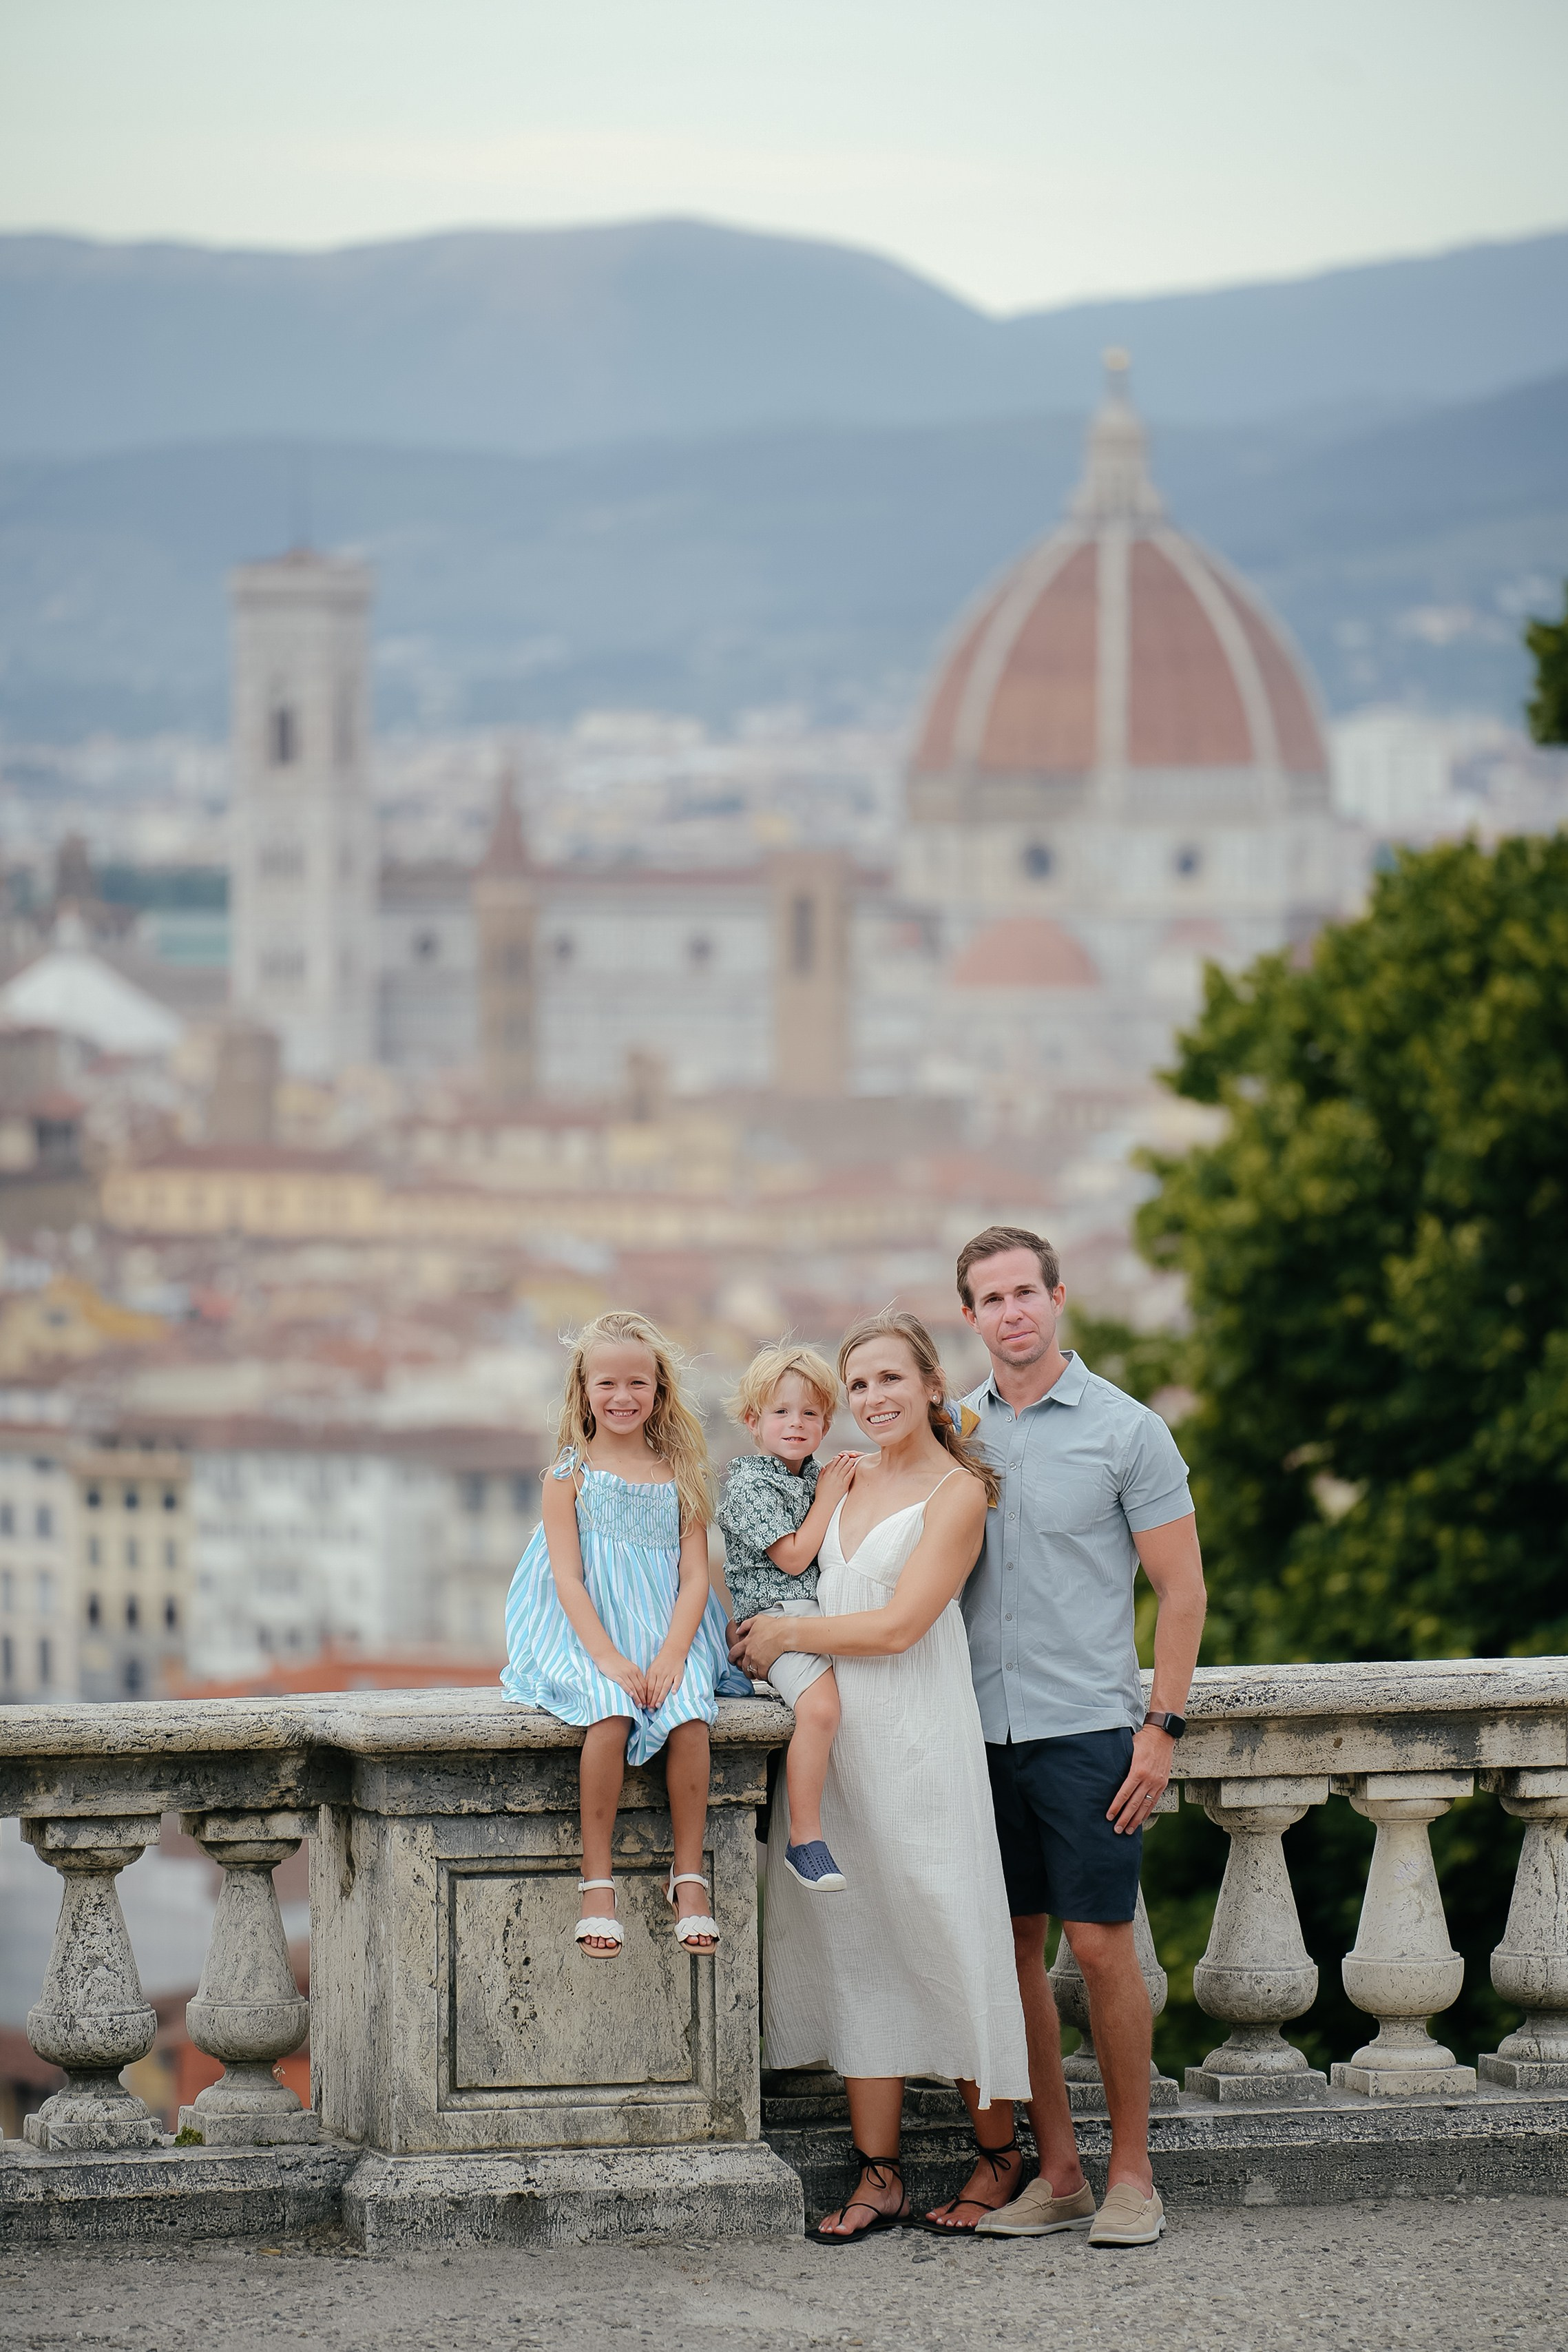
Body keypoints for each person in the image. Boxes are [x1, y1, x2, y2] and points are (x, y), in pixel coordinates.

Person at [732, 1311, 1031, 2245]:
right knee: (855, 1943)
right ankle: (881, 2173)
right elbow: (775, 1569)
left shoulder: (959, 1489)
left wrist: (785, 1634)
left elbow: (902, 1624)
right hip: (839, 1746)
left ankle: (998, 2153)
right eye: (857, 1385)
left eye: (890, 1380)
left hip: (920, 1739)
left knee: (947, 1925)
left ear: (932, 1386)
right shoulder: (844, 1475)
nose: (873, 1399)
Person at [954, 1226, 1207, 2251]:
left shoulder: (1127, 1429)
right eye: (990, 1297)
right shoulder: (949, 1432)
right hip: (974, 1731)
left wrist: (1163, 1728)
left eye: (1027, 1291)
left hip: (1088, 1729)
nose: (1012, 1311)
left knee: (1100, 1948)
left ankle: (1133, 2176)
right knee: (1011, 1951)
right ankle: (1056, 2172)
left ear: (1058, 1298)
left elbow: (1181, 1590)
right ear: (968, 1317)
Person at [501, 1309, 749, 1960]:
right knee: (608, 1717)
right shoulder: (567, 1476)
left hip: (669, 1626)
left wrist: (672, 1654)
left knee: (690, 1717)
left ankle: (688, 1877)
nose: (621, 1397)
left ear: (659, 1390)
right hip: (586, 1630)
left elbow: (695, 1577)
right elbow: (567, 1578)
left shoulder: (682, 1474)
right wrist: (607, 1658)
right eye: (606, 1384)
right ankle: (597, 1882)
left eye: (637, 1384)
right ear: (583, 1390)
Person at [716, 1344, 862, 1892]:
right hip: (775, 1618)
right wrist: (828, 1496)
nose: (795, 1424)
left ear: (826, 1421)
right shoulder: (751, 1485)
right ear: (753, 1422)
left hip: (810, 1615)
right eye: (780, 1412)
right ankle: (804, 1838)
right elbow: (795, 1556)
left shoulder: (810, 1475)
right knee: (821, 1710)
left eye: (809, 1413)